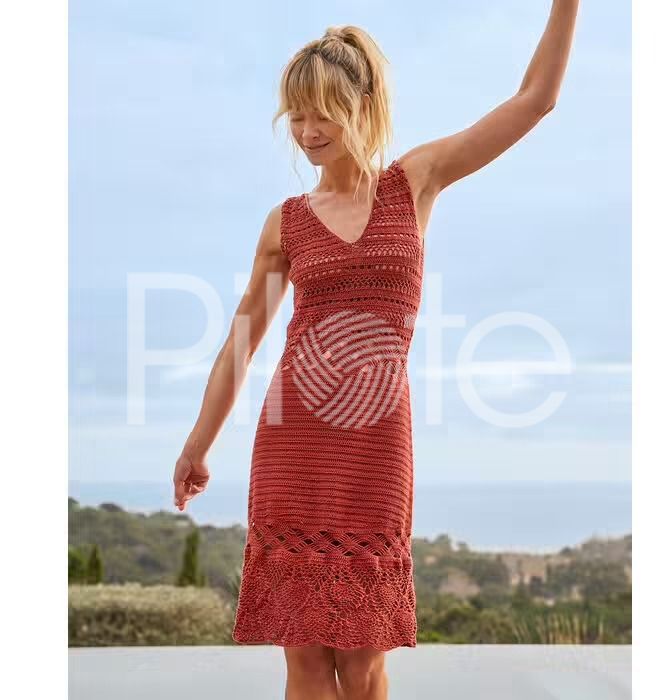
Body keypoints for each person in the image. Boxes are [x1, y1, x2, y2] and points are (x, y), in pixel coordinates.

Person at [173, 3, 579, 698]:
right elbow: (241, 343)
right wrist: (197, 445)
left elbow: (535, 100)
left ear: (362, 106)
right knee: (304, 661)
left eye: (323, 114)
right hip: (294, 444)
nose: (307, 132)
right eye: (297, 116)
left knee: (363, 666)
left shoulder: (415, 181)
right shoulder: (286, 224)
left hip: (376, 449)